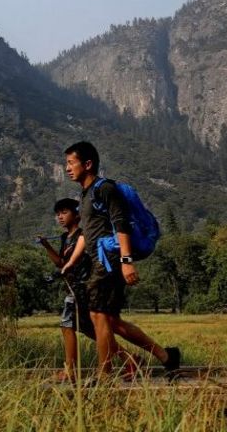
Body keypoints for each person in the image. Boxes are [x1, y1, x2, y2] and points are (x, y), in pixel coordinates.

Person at [64, 141, 181, 379]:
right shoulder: (85, 194)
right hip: (99, 261)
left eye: (70, 163)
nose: (67, 168)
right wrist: (71, 262)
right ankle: (167, 357)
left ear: (88, 164)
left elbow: (121, 224)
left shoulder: (105, 189)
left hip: (109, 261)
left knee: (99, 315)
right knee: (111, 320)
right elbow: (87, 233)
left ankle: (105, 374)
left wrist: (127, 261)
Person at [37, 198, 94, 381]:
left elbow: (73, 263)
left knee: (66, 324)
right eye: (58, 214)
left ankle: (70, 370)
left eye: (64, 212)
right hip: (72, 288)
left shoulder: (82, 236)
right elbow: (61, 263)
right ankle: (130, 359)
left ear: (77, 215)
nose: (60, 217)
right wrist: (47, 246)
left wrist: (61, 272)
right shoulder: (65, 238)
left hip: (81, 288)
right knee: (92, 331)